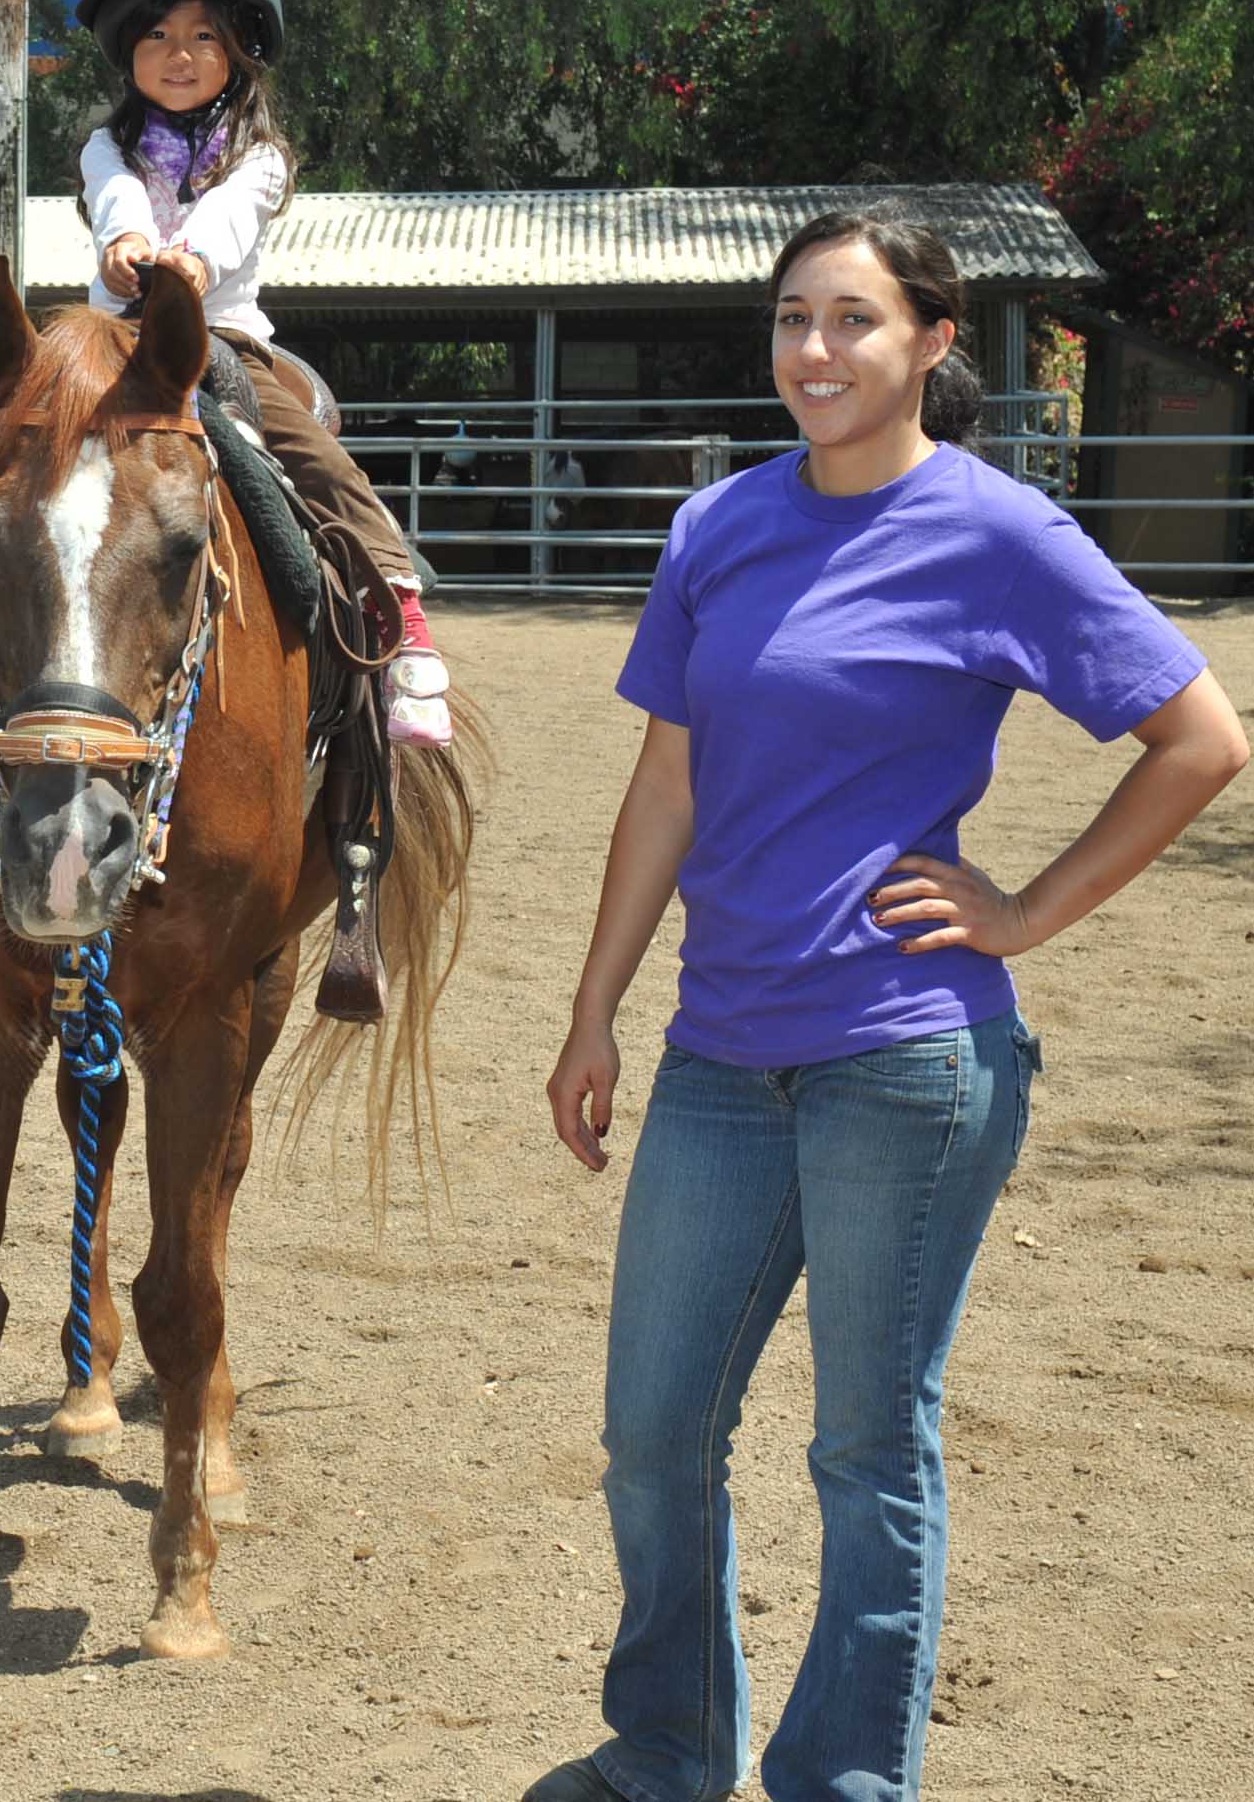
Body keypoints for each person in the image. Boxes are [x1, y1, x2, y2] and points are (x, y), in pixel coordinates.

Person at [534, 205, 1248, 1802]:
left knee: (865, 1448)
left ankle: (846, 1782)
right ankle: (663, 1754)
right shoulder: (716, 527)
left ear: (932, 341)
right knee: (653, 1438)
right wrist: (596, 1011)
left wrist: (1023, 912)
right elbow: (667, 783)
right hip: (717, 1056)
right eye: (792, 318)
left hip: (907, 1063)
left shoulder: (998, 533)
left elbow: (1200, 739)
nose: (812, 351)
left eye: (852, 320)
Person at [0, 0, 451, 747]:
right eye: (157, 35)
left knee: (311, 455)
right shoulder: (105, 145)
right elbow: (114, 200)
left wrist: (189, 265)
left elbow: (229, 216)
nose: (178, 55)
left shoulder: (261, 157)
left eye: (202, 37)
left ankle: (403, 625)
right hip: (105, 347)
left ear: (240, 51)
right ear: (128, 50)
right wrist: (127, 244)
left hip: (220, 340)